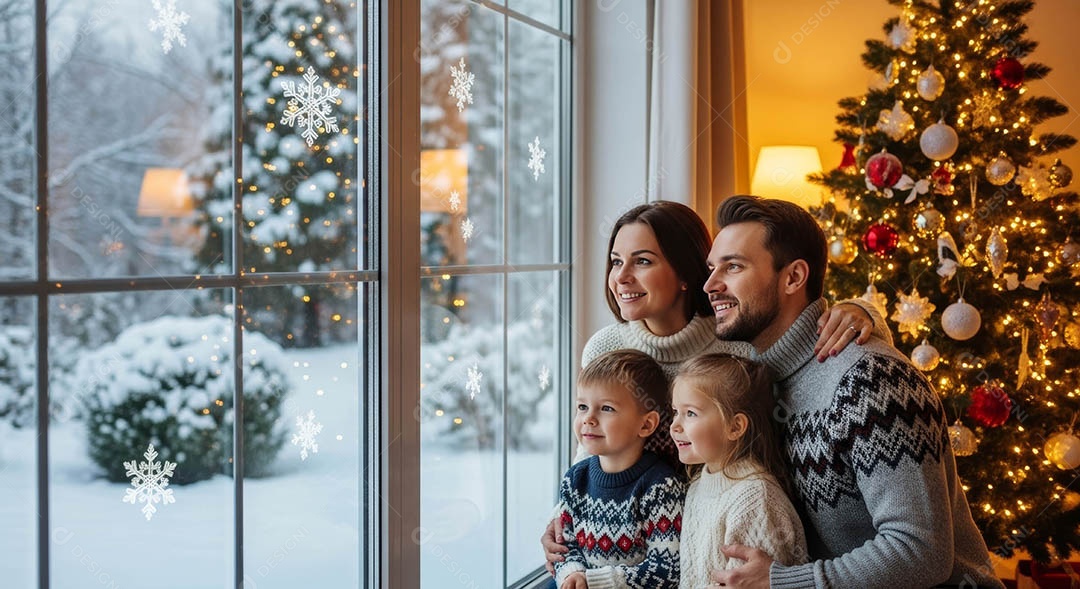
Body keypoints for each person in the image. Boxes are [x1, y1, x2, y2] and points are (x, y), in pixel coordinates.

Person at [544, 200, 889, 575]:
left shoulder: (737, 341)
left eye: (642, 261)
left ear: (685, 273)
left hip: (706, 541)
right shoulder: (605, 347)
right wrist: (563, 519)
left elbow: (803, 339)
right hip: (619, 545)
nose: (622, 276)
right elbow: (590, 447)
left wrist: (864, 312)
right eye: (615, 261)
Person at [702, 196, 1004, 589]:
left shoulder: (872, 380)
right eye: (711, 268)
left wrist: (784, 582)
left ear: (794, 277)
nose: (711, 285)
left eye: (733, 267)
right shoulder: (755, 380)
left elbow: (920, 552)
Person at [670, 353, 807, 589]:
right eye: (675, 411)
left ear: (735, 426)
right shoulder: (697, 487)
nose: (675, 425)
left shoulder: (755, 498)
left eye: (690, 413)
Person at [552, 349, 684, 589]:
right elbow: (565, 546)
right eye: (582, 407)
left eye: (606, 408)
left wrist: (593, 582)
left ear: (646, 424)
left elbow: (668, 569)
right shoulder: (575, 479)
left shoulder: (661, 486)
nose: (588, 419)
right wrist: (572, 575)